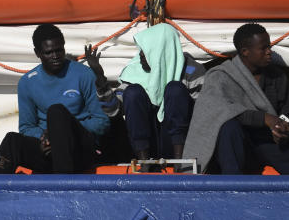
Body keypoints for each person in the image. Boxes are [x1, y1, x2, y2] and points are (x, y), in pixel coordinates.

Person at [184, 23, 289, 174]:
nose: (269, 52)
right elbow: (220, 111)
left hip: (270, 144)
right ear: (245, 52)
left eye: (269, 47)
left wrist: (287, 132)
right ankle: (232, 184)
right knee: (228, 128)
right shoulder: (220, 76)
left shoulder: (277, 76)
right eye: (263, 48)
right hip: (240, 145)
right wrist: (265, 118)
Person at [0, 24, 109, 174]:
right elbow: (26, 127)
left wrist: (60, 132)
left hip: (80, 151)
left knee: (56, 112)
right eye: (48, 52)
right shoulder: (27, 82)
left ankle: (63, 185)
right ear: (37, 53)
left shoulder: (84, 74)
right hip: (48, 149)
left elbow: (101, 122)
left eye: (59, 50)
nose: (55, 56)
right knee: (12, 140)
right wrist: (45, 139)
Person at [86, 22, 204, 160]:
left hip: (184, 143)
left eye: (146, 50)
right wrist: (100, 78)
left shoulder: (192, 71)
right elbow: (113, 111)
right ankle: (143, 163)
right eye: (141, 50)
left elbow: (203, 115)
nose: (141, 55)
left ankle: (179, 161)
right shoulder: (135, 71)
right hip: (146, 145)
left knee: (175, 89)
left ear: (160, 49)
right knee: (133, 92)